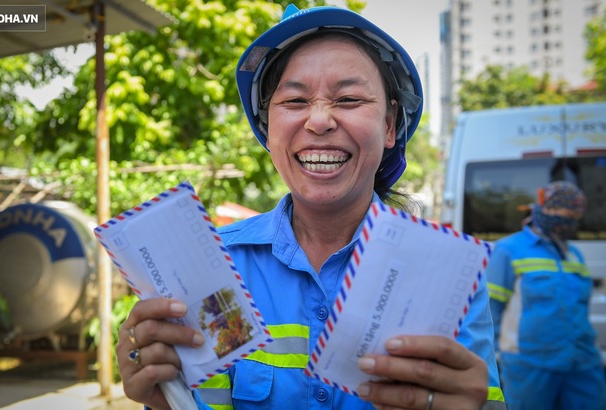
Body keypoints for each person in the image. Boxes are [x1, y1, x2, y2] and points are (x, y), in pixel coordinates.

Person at [116, 4, 506, 409]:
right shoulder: (217, 266)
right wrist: (164, 398)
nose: (319, 120)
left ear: (390, 125)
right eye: (296, 101)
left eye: (349, 98)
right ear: (268, 127)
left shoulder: (445, 276)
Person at [486, 180, 606, 410]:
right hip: (530, 368)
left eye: (574, 217)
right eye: (562, 215)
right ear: (544, 210)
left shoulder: (574, 254)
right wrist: (499, 359)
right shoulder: (508, 250)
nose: (567, 223)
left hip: (582, 365)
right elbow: (492, 310)